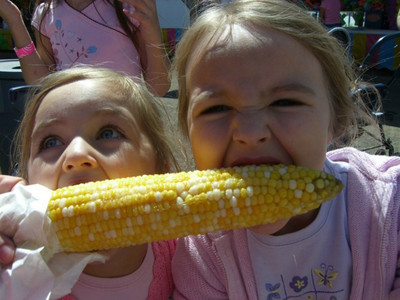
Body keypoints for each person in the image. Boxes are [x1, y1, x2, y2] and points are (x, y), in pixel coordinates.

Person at [170, 0, 400, 298]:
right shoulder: (200, 250)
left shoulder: (391, 206)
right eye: (217, 108)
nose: (251, 134)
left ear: (337, 120)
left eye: (285, 102)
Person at [0, 66, 178, 299]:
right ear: (28, 180)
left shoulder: (186, 255)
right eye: (51, 141)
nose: (76, 154)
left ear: (161, 170)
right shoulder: (15, 272)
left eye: (108, 133)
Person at [0, 0, 171, 96]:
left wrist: (152, 27)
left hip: (125, 122)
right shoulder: (46, 14)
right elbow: (41, 81)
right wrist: (14, 20)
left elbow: (158, 87)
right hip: (75, 125)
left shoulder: (129, 8)